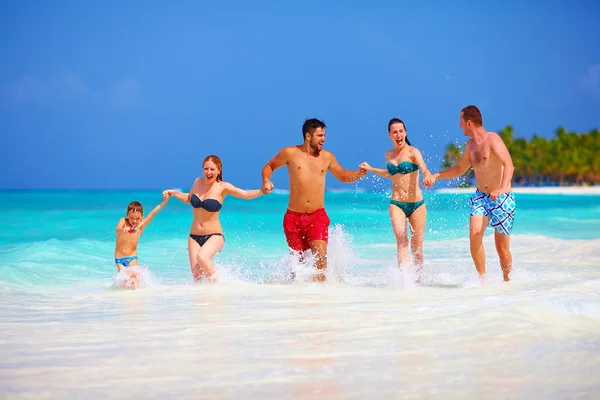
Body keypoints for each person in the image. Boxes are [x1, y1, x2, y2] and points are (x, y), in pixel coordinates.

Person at [261, 118, 367, 282]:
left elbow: (343, 175)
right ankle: (300, 299)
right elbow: (269, 166)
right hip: (293, 219)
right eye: (320, 135)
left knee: (321, 258)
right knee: (298, 266)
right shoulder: (290, 153)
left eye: (324, 135)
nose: (323, 139)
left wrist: (358, 174)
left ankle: (320, 298)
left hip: (317, 216)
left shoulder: (327, 157)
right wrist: (266, 180)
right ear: (308, 136)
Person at [423, 105, 516, 282]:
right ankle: (483, 281)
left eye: (461, 123)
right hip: (481, 197)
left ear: (469, 123)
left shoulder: (493, 139)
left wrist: (502, 188)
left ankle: (507, 281)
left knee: (502, 249)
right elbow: (459, 169)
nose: (460, 127)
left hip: (502, 197)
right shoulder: (470, 146)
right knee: (474, 234)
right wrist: (436, 176)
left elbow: (509, 164)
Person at [164, 155, 263, 283]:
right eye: (206, 169)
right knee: (197, 278)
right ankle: (205, 300)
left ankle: (220, 286)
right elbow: (189, 199)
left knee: (202, 258)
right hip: (194, 237)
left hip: (214, 236)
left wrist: (262, 191)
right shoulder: (197, 182)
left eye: (212, 169)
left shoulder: (223, 187)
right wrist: (174, 193)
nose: (208, 172)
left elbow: (245, 194)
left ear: (219, 170)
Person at [359, 118, 433, 280]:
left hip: (417, 205)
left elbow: (425, 169)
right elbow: (391, 174)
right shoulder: (389, 154)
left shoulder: (413, 152)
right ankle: (406, 281)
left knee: (417, 247)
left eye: (401, 131)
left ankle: (418, 280)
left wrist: (428, 176)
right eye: (395, 132)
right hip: (397, 204)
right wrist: (371, 169)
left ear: (405, 133)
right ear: (390, 135)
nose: (398, 134)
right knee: (401, 241)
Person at [114, 197, 169, 287]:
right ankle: (124, 298)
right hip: (119, 258)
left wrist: (165, 201)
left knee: (134, 279)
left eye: (137, 218)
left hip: (132, 257)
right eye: (131, 218)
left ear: (142, 216)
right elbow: (117, 230)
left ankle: (136, 297)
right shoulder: (123, 221)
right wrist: (124, 229)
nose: (134, 221)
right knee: (124, 281)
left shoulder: (140, 226)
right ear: (127, 214)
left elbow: (153, 213)